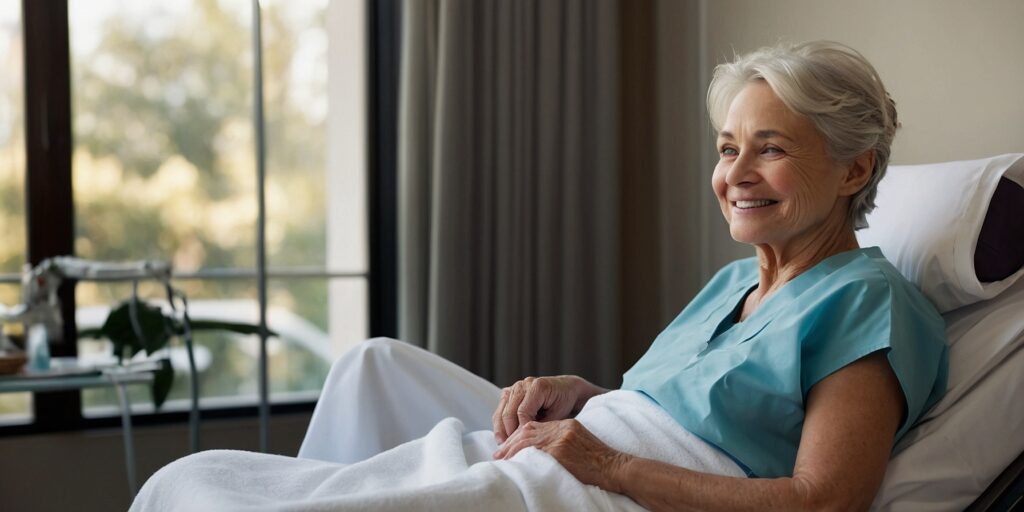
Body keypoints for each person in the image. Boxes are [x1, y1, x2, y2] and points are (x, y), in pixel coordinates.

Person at [131, 41, 948, 511]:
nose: (735, 171)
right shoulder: (734, 282)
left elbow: (821, 502)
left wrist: (605, 463)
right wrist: (587, 396)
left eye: (769, 147)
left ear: (853, 170)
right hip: (573, 458)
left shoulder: (866, 301)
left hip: (612, 496)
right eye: (727, 147)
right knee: (193, 479)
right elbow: (694, 404)